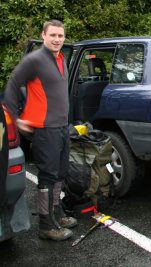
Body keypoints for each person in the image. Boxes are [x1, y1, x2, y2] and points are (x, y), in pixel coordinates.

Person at [4, 19, 77, 241]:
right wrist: (16, 118)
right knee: (47, 177)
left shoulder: (62, 59)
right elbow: (13, 84)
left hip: (62, 128)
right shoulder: (34, 60)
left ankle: (57, 212)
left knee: (60, 173)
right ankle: (46, 225)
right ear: (43, 35)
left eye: (60, 36)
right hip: (46, 131)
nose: (57, 39)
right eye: (53, 35)